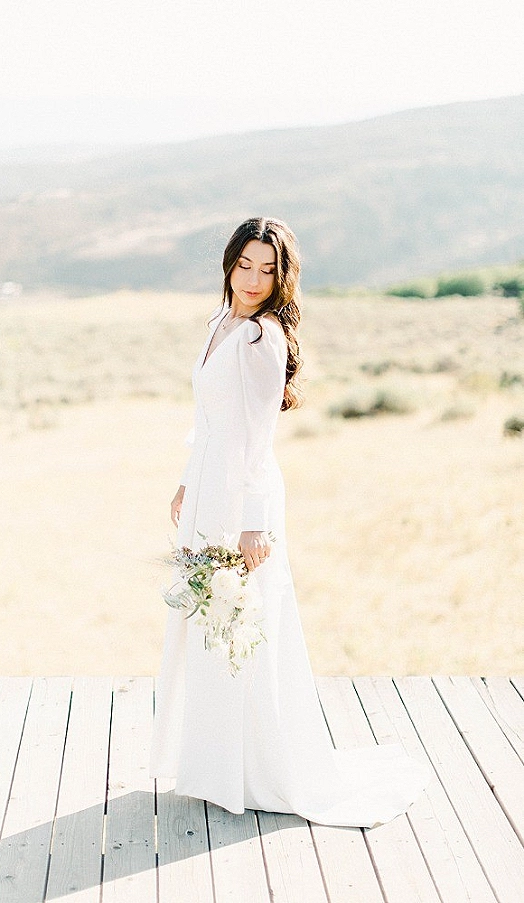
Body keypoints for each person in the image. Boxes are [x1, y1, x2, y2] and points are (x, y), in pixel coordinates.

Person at [149, 217, 430, 826]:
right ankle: (216, 763)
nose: (253, 279)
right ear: (229, 265)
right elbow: (210, 419)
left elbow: (257, 435)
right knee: (209, 623)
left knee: (243, 623)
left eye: (267, 270)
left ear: (282, 278)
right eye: (244, 265)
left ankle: (258, 769)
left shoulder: (262, 337)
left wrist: (254, 523)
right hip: (208, 489)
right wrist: (186, 480)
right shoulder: (221, 323)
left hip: (242, 497)